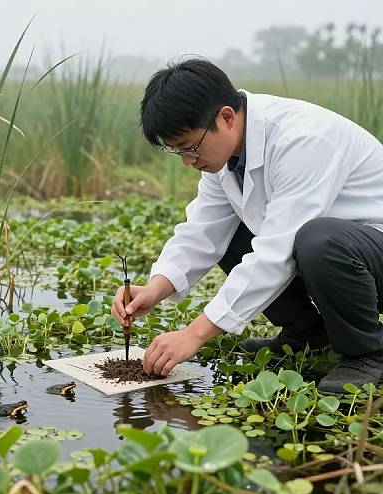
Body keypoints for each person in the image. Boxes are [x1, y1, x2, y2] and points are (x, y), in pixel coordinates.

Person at [111, 57, 383, 394]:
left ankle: (366, 353)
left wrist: (194, 333)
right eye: (177, 151)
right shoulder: (223, 158)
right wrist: (156, 287)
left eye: (190, 147)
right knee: (237, 233)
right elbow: (202, 231)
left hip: (369, 257)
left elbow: (276, 252)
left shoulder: (303, 140)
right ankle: (308, 336)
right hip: (339, 262)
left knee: (318, 240)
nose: (187, 161)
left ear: (225, 117)